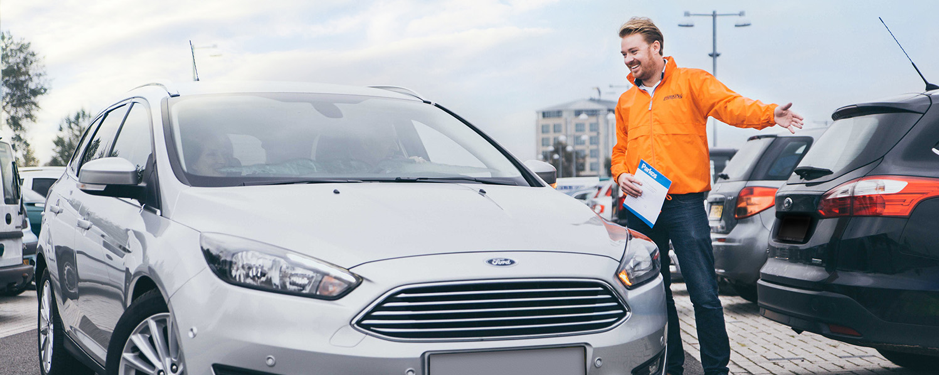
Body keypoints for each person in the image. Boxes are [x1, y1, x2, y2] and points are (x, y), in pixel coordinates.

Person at [610, 17, 803, 375]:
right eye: (623, 53)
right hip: (641, 210)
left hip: (684, 206)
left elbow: (732, 106)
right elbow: (620, 150)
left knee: (703, 293)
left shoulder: (692, 82)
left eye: (633, 51)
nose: (627, 59)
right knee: (656, 293)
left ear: (656, 47)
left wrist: (769, 114)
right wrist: (620, 174)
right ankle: (674, 365)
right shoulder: (626, 101)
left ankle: (717, 369)